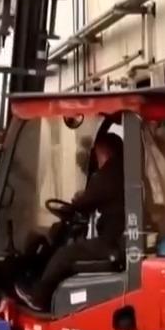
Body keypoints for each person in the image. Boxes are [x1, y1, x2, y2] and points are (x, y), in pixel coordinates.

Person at [15, 133, 125, 312]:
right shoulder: (122, 171)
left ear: (104, 152)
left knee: (64, 255)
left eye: (97, 155)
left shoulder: (109, 173)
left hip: (111, 242)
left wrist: (74, 204)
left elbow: (84, 203)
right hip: (118, 238)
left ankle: (39, 298)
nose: (96, 160)